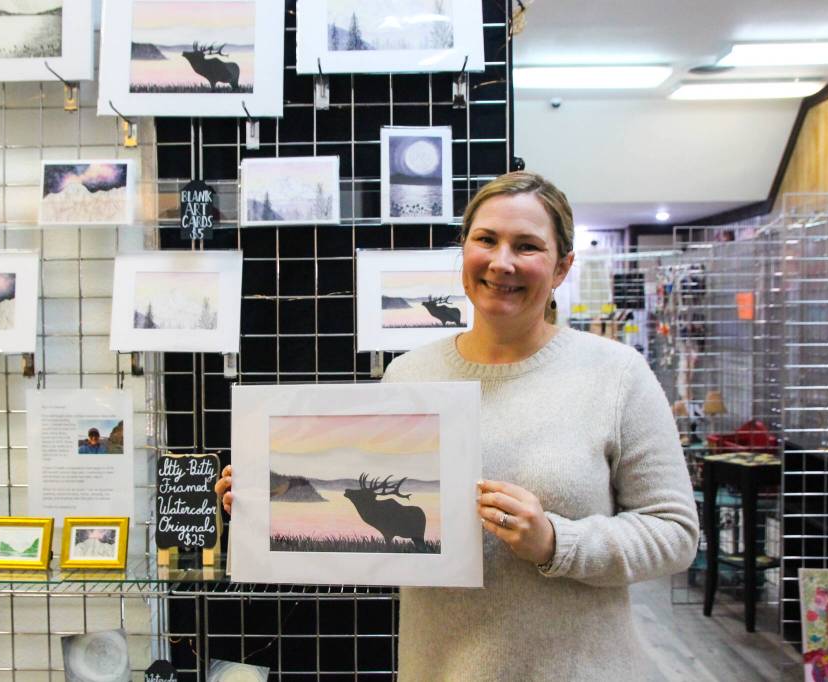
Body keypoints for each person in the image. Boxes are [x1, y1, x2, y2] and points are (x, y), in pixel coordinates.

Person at [216, 171, 699, 680]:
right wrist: (268, 503)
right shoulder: (410, 375)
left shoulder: (617, 375)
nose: (502, 262)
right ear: (464, 250)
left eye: (527, 246)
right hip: (440, 669)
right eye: (486, 239)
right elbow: (364, 529)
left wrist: (556, 543)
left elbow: (675, 532)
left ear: (562, 266)